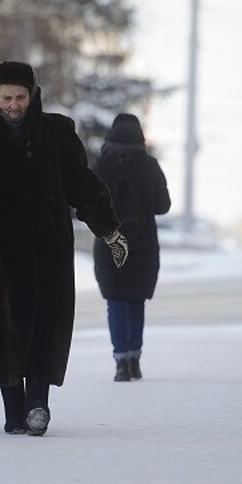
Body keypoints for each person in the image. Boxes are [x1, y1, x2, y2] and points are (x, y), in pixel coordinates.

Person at [0, 61, 129, 435]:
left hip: (47, 251)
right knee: (2, 330)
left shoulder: (56, 132)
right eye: (6, 97)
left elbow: (83, 185)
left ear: (33, 94)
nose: (13, 105)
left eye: (20, 97)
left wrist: (109, 230)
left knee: (44, 326)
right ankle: (14, 411)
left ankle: (38, 405)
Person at [92, 114, 170, 382]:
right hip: (143, 243)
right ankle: (134, 360)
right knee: (136, 301)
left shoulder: (102, 166)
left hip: (109, 242)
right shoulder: (149, 166)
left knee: (115, 301)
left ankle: (120, 362)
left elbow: (85, 206)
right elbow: (163, 206)